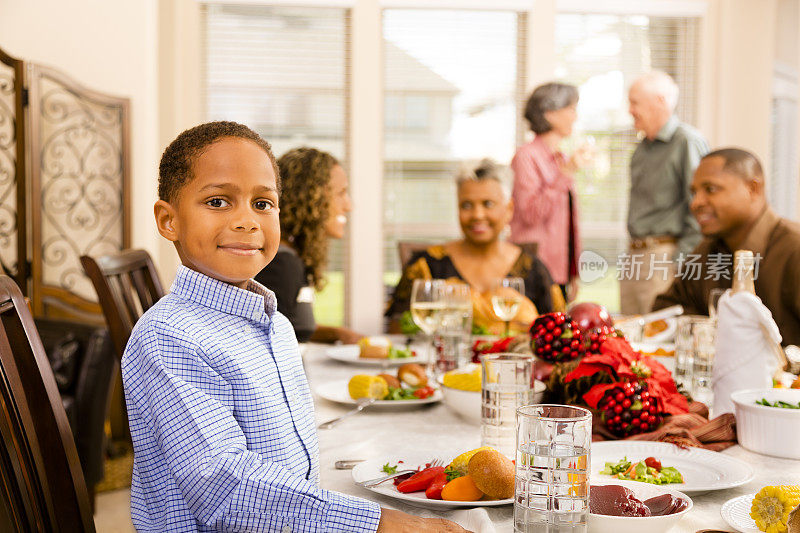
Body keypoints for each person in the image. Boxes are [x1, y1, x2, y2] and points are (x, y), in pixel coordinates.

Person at [123, 121, 468, 532]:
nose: (247, 221)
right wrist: (381, 524)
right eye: (218, 201)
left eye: (263, 204)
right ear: (168, 220)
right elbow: (226, 489)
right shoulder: (169, 337)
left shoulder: (277, 326)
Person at [387, 158, 563, 336]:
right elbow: (397, 332)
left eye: (488, 204)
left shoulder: (535, 271)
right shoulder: (425, 266)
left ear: (509, 209)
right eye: (467, 205)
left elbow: (559, 334)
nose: (477, 215)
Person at [653, 148, 800, 347]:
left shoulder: (794, 248)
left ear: (753, 189)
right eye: (694, 192)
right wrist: (709, 335)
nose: (696, 203)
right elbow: (665, 311)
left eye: (711, 189)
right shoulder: (707, 250)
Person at [622, 70, 709, 315]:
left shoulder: (686, 142)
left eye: (634, 102)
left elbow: (700, 206)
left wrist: (680, 262)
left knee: (659, 336)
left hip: (664, 256)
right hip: (634, 255)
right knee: (630, 338)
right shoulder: (641, 149)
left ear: (660, 101)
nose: (630, 110)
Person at [255, 147, 362, 344]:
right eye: (341, 193)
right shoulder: (281, 265)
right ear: (311, 198)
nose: (348, 205)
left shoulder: (287, 257)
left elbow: (292, 326)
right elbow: (267, 343)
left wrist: (338, 334)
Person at [510, 82, 589, 303]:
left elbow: (568, 224)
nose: (575, 116)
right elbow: (530, 214)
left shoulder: (561, 159)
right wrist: (567, 173)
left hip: (560, 271)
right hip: (534, 271)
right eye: (571, 109)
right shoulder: (526, 157)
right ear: (551, 114)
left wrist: (574, 274)